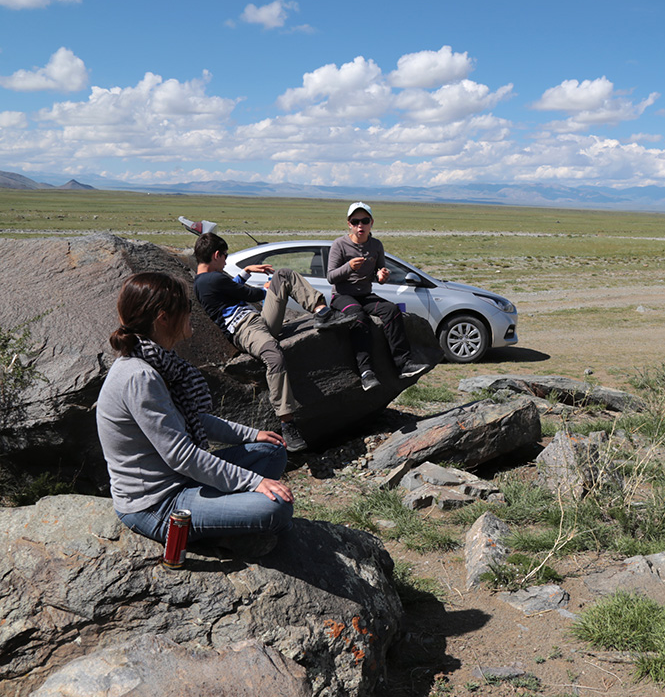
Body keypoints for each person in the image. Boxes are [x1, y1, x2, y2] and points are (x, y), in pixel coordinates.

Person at [96, 272, 294, 556]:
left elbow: (192, 419)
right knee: (276, 508)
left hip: (181, 479)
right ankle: (218, 528)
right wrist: (255, 482)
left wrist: (253, 434)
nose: (192, 312)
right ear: (163, 318)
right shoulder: (140, 376)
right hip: (157, 503)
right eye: (186, 306)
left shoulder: (158, 362)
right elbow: (182, 456)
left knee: (271, 451)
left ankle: (223, 521)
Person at [193, 232, 348, 452]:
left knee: (284, 274)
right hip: (245, 329)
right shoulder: (212, 279)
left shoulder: (203, 282)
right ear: (216, 255)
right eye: (225, 256)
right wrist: (265, 291)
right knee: (274, 356)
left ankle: (322, 312)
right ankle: (287, 423)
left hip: (257, 322)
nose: (226, 261)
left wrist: (246, 272)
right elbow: (246, 293)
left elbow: (229, 289)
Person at [327, 201, 427, 390]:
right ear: (349, 223)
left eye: (364, 220)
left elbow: (379, 274)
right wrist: (348, 267)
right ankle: (366, 372)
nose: (360, 225)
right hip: (342, 296)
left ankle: (403, 364)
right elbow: (331, 277)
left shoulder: (376, 245)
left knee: (392, 310)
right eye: (355, 221)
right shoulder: (339, 245)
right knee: (358, 316)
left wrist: (382, 276)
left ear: (372, 222)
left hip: (366, 294)